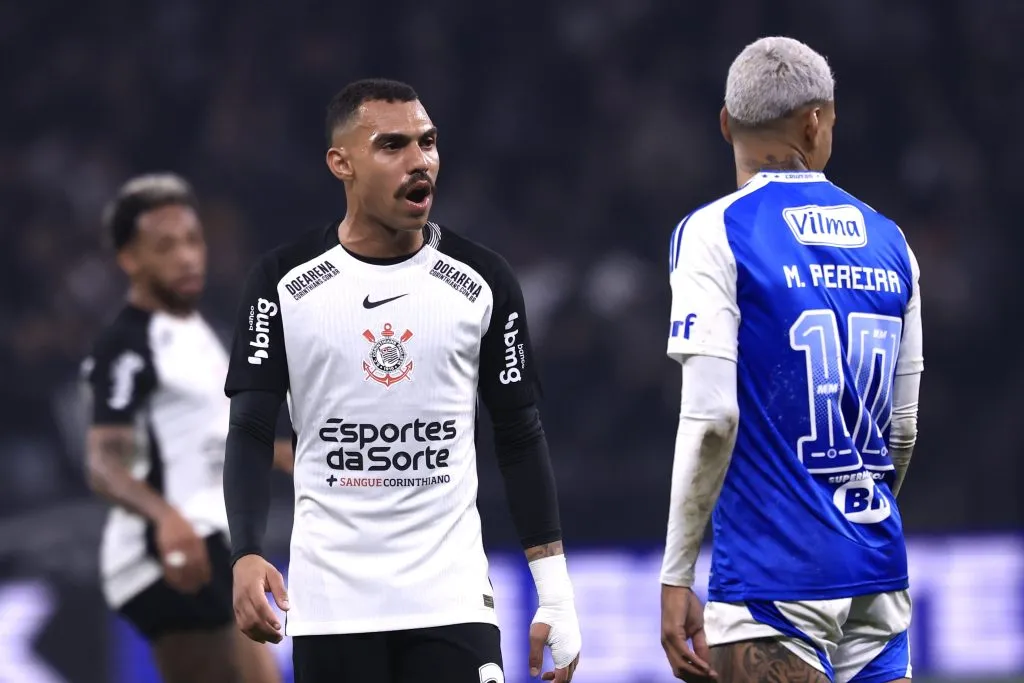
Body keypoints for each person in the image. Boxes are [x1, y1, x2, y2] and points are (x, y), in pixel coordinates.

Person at [222, 78, 582, 683]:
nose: (420, 161)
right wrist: (246, 552)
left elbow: (520, 434)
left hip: (453, 601)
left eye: (428, 142)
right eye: (392, 145)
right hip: (332, 608)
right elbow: (253, 429)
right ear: (342, 163)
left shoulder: (483, 281)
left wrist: (556, 592)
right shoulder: (284, 280)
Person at [658, 37, 922, 683]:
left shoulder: (715, 232)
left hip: (770, 582)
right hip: (874, 569)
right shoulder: (892, 241)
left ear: (725, 123)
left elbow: (714, 417)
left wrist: (676, 573)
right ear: (815, 121)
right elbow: (903, 431)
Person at [82, 173, 290, 683]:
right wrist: (165, 518)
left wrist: (284, 454)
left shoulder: (198, 334)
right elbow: (104, 462)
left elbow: (208, 439)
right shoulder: (128, 345)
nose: (187, 257)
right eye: (166, 246)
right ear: (130, 259)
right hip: (170, 552)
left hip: (209, 542)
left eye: (193, 241)